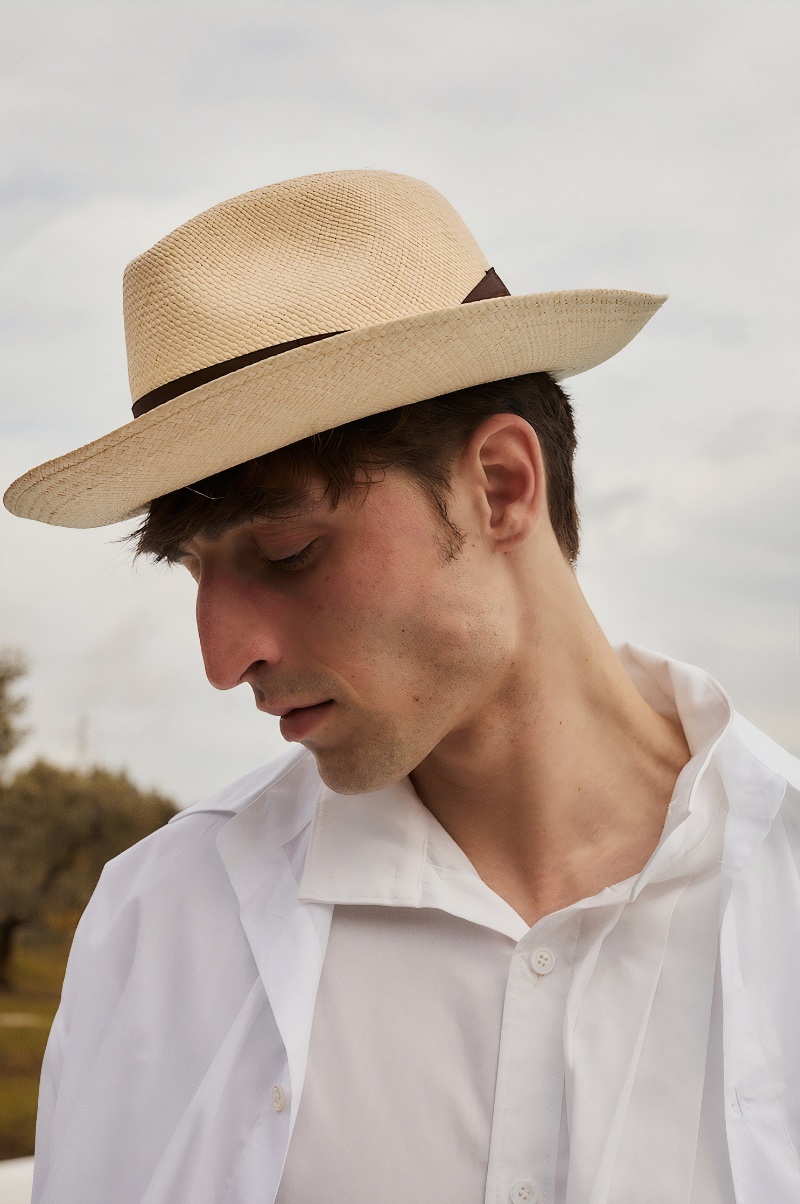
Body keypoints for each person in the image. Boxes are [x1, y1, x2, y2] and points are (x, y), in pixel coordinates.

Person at [4, 170, 798, 1204]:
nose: (220, 656)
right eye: (194, 569)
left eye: (285, 549)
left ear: (501, 486)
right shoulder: (164, 925)